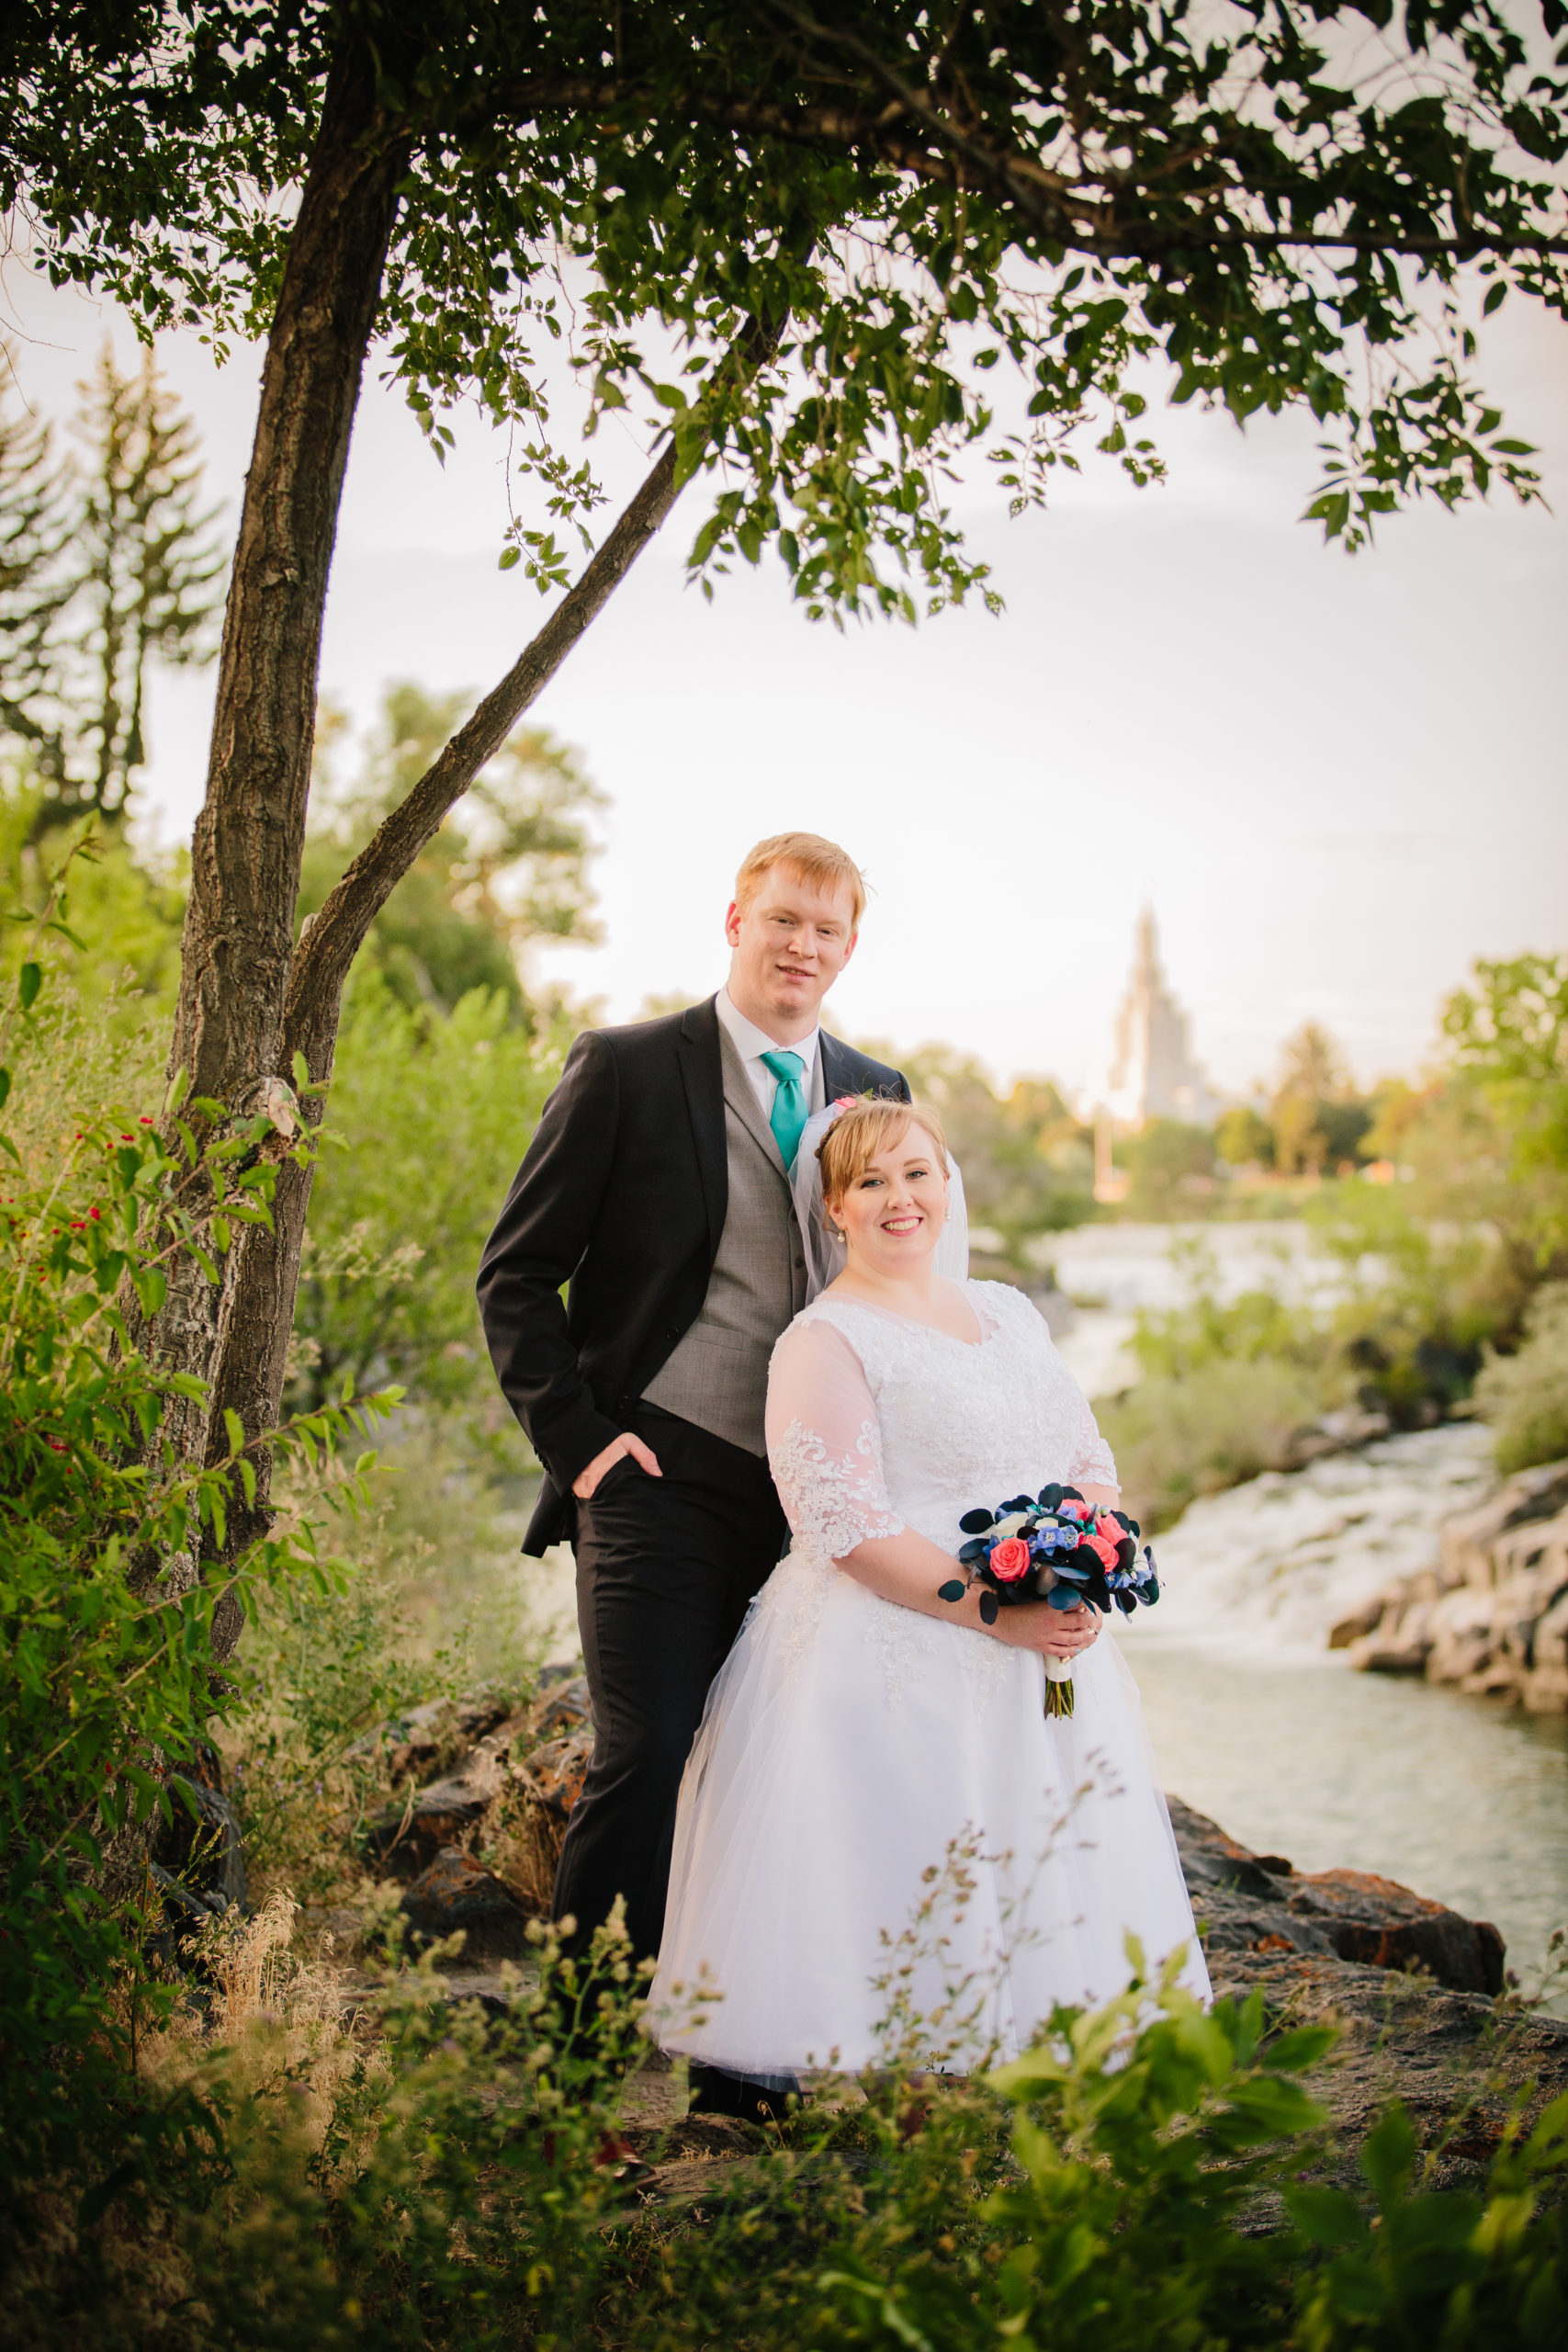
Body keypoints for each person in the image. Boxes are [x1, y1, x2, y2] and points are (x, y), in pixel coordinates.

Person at [649, 1097, 1209, 2104]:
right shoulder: (823, 1341)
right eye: (870, 1181)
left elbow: (1087, 1459)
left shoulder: (1009, 1310)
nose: (899, 1198)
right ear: (832, 1208)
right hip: (895, 1640)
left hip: (1048, 1640)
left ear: (948, 1184)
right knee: (904, 1858)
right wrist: (1003, 1613)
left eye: (916, 1172)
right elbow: (848, 1529)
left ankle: (1044, 2044)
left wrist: (1082, 1557)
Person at [475, 833, 910, 2098]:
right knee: (648, 1750)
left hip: (807, 1498)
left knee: (781, 1762)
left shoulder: (872, 1083)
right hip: (653, 1469)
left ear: (846, 948)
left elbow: (888, 1272)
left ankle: (740, 2067)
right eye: (781, 921)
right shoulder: (626, 1068)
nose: (800, 948)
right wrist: (578, 1443)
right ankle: (581, 2066)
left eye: (825, 932)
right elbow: (514, 1275)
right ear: (735, 919)